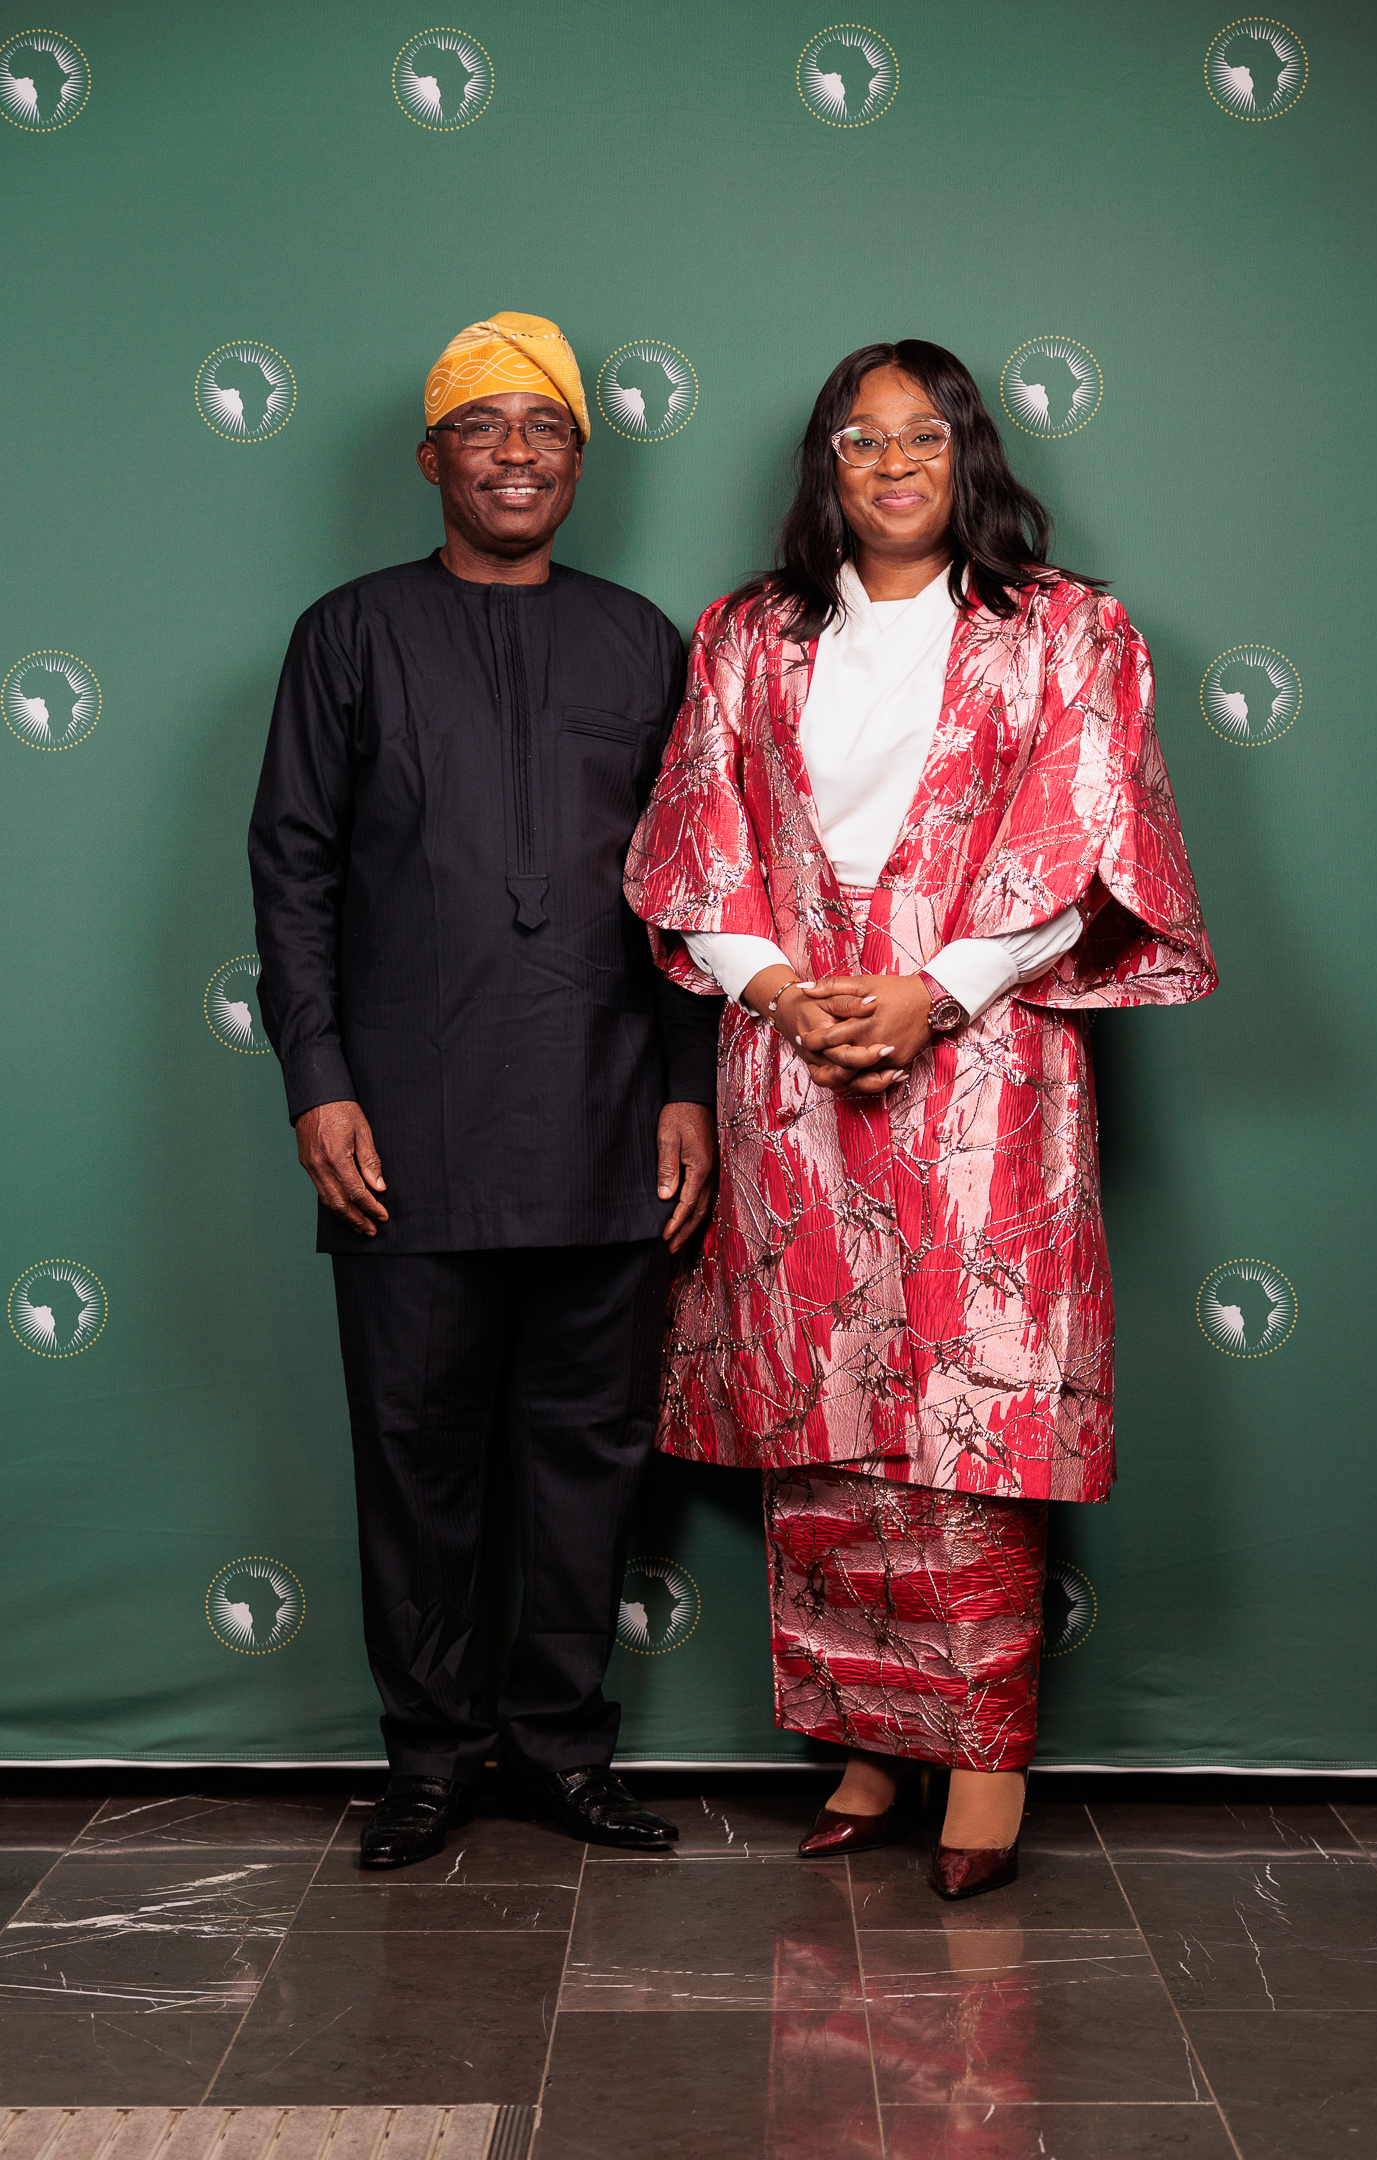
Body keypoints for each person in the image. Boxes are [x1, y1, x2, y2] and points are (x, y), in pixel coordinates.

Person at [625, 338, 1215, 1900]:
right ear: (824, 464)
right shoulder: (748, 634)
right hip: (792, 1056)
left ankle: (983, 1758)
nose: (892, 465)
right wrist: (775, 991)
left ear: (970, 457)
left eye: (923, 438)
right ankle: (868, 1746)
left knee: (969, 1411)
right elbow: (699, 838)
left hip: (985, 1063)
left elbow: (1086, 839)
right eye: (859, 439)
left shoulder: (1067, 630)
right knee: (823, 1411)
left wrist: (934, 991)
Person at [249, 311, 719, 1868]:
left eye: (547, 428)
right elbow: (293, 869)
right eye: (482, 426)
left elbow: (691, 886)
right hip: (404, 1128)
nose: (516, 454)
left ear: (581, 461)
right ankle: (432, 1761)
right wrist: (317, 1077)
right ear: (431, 457)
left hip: (604, 1118)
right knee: (417, 1457)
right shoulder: (348, 634)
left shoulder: (643, 642)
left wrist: (688, 1085)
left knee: (590, 1458)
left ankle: (566, 1751)